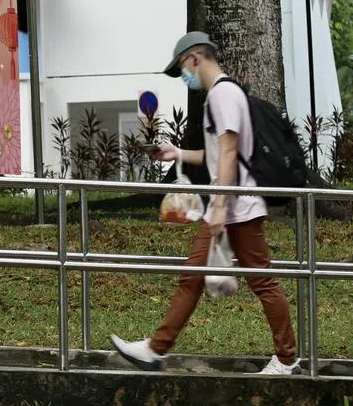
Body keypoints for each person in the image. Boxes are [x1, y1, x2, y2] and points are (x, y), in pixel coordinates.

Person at [110, 31, 298, 375]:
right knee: (193, 277)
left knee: (262, 281)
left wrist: (221, 209)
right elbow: (217, 155)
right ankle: (155, 350)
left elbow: (228, 154)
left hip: (237, 208)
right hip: (233, 205)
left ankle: (287, 359)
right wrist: (178, 153)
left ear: (195, 59)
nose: (185, 75)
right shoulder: (224, 94)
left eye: (183, 66)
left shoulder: (222, 95)